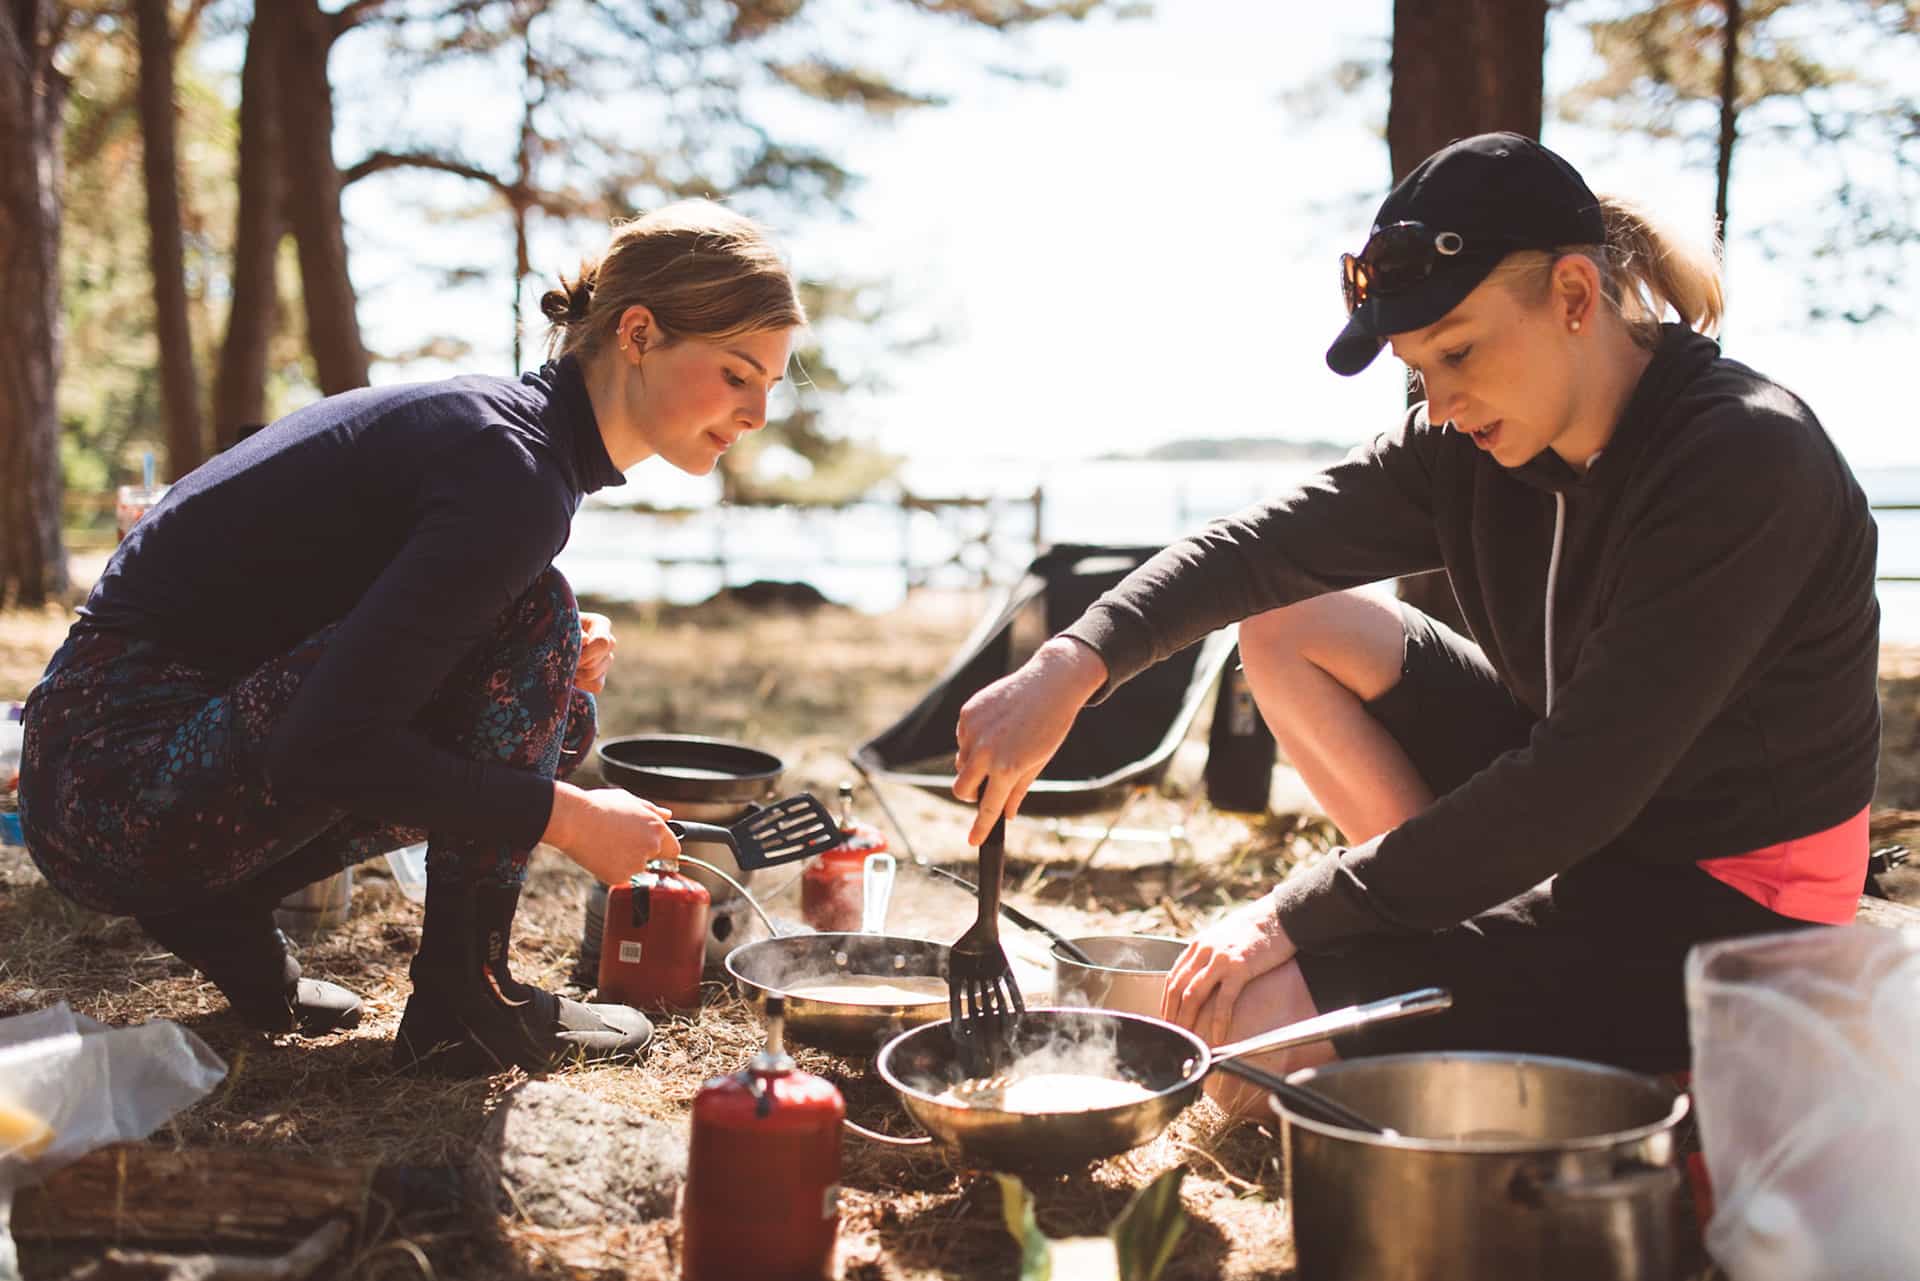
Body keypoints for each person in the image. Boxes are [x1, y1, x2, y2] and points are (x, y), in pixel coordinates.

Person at [951, 133, 1879, 1117]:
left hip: (1729, 907)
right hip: (1579, 824)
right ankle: (1457, 944)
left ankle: (1621, 1043)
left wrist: (1294, 913)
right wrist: (1071, 662)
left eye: (1459, 351)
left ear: (1574, 297)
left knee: (1250, 1050)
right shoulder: (1467, 445)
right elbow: (1261, 549)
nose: (1438, 401)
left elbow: (1583, 783)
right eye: (1415, 368)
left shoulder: (1741, 459)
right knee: (1288, 619)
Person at [19, 200, 803, 1077]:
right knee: (538, 622)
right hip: (112, 782)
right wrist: (566, 815)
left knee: (550, 689)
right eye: (738, 374)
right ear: (639, 333)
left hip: (94, 778)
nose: (757, 413)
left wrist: (525, 666)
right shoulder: (513, 471)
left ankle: (223, 904)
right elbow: (327, 745)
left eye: (771, 386)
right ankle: (467, 1001)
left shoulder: (506, 441)